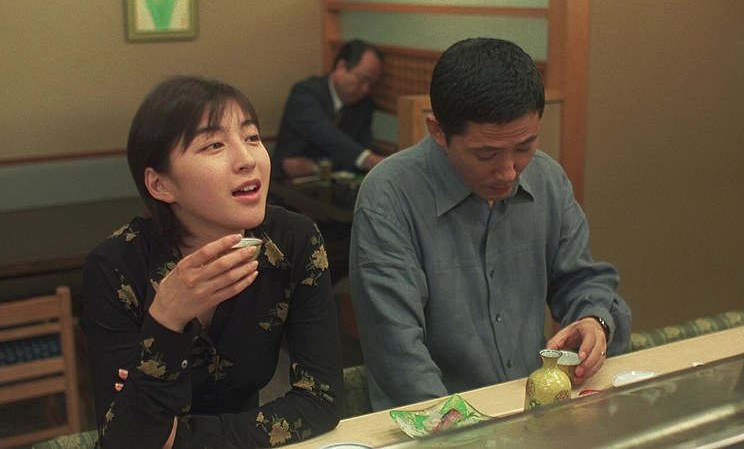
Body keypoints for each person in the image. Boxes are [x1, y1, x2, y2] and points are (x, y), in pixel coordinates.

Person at [349, 38, 632, 410]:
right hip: (435, 421)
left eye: (524, 147)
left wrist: (594, 320)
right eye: (486, 154)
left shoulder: (547, 180)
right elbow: (399, 355)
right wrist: (463, 429)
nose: (508, 171)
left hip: (530, 411)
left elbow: (581, 278)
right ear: (438, 130)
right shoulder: (389, 198)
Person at [82, 76, 343, 448]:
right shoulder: (116, 268)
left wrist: (181, 439)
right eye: (214, 145)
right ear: (160, 185)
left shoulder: (294, 242)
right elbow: (126, 441)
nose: (248, 159)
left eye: (252, 137)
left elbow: (321, 401)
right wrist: (167, 317)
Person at [272, 39, 386, 178]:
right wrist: (367, 159)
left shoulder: (364, 104)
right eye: (362, 80)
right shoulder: (304, 94)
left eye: (371, 84)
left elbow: (360, 147)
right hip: (289, 183)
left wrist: (317, 166)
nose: (366, 89)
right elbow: (325, 135)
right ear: (341, 66)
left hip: (336, 183)